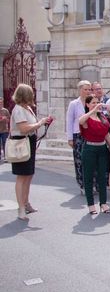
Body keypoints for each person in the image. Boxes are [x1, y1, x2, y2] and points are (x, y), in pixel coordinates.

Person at [10, 84, 52, 221]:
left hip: (29, 142)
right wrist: (40, 123)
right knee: (22, 176)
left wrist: (42, 122)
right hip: (21, 143)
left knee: (29, 174)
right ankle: (21, 207)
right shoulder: (18, 110)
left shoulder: (27, 108)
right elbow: (23, 128)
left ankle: (26, 203)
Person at [79, 95, 110, 215]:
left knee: (102, 176)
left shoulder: (103, 117)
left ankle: (103, 203)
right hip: (90, 148)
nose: (96, 104)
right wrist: (93, 111)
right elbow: (81, 121)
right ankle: (90, 204)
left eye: (97, 102)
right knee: (89, 177)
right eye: (93, 102)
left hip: (102, 148)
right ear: (88, 105)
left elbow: (106, 133)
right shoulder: (87, 118)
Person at [66, 80, 93, 191]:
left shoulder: (92, 102)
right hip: (78, 134)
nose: (87, 92)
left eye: (89, 89)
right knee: (79, 160)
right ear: (80, 90)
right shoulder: (74, 104)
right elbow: (69, 120)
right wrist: (70, 138)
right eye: (85, 89)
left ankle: (93, 183)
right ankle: (82, 184)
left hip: (90, 134)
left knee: (91, 161)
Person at [0, 97, 10, 162]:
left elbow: (9, 120)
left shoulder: (5, 111)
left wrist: (5, 119)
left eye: (1, 103)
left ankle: (6, 157)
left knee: (5, 143)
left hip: (4, 130)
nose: (0, 104)